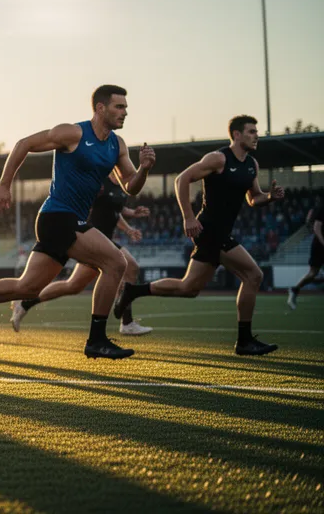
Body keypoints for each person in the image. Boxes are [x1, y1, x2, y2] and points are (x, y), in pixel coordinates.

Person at [0, 85, 155, 360]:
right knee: (117, 263)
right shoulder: (73, 133)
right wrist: (4, 185)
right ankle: (97, 340)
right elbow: (24, 144)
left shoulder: (117, 145)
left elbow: (130, 187)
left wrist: (145, 170)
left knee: (27, 287)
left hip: (69, 221)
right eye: (119, 107)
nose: (125, 112)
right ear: (100, 108)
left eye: (126, 107)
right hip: (58, 216)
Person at [114, 115, 282, 356]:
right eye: (251, 131)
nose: (256, 135)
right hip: (209, 229)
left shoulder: (251, 165)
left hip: (222, 232)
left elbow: (253, 197)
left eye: (257, 131)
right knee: (254, 275)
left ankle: (133, 291)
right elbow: (182, 179)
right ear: (236, 134)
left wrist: (269, 197)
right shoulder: (218, 158)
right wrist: (188, 217)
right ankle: (244, 341)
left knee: (189, 288)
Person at [10, 174, 154, 336]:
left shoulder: (121, 186)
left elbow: (115, 210)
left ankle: (25, 303)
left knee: (73, 286)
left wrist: (130, 220)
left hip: (103, 245)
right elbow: (84, 204)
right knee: (130, 266)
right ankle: (127, 323)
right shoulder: (100, 180)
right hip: (92, 240)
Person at [288, 195, 323, 309]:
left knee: (315, 274)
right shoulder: (322, 209)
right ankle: (294, 290)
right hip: (319, 245)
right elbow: (316, 228)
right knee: (313, 274)